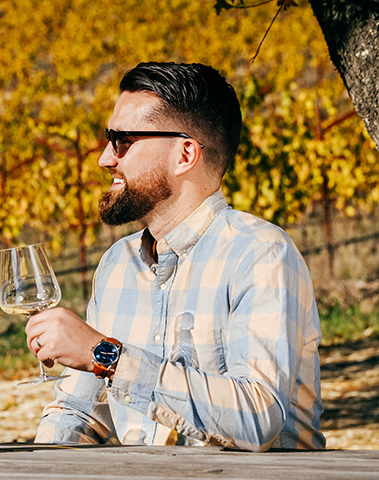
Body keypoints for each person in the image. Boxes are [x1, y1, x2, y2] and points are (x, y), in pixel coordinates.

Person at [26, 62, 325, 452]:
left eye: (122, 141)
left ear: (185, 154)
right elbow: (80, 412)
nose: (104, 158)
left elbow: (258, 418)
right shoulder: (117, 264)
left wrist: (109, 358)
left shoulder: (261, 254)